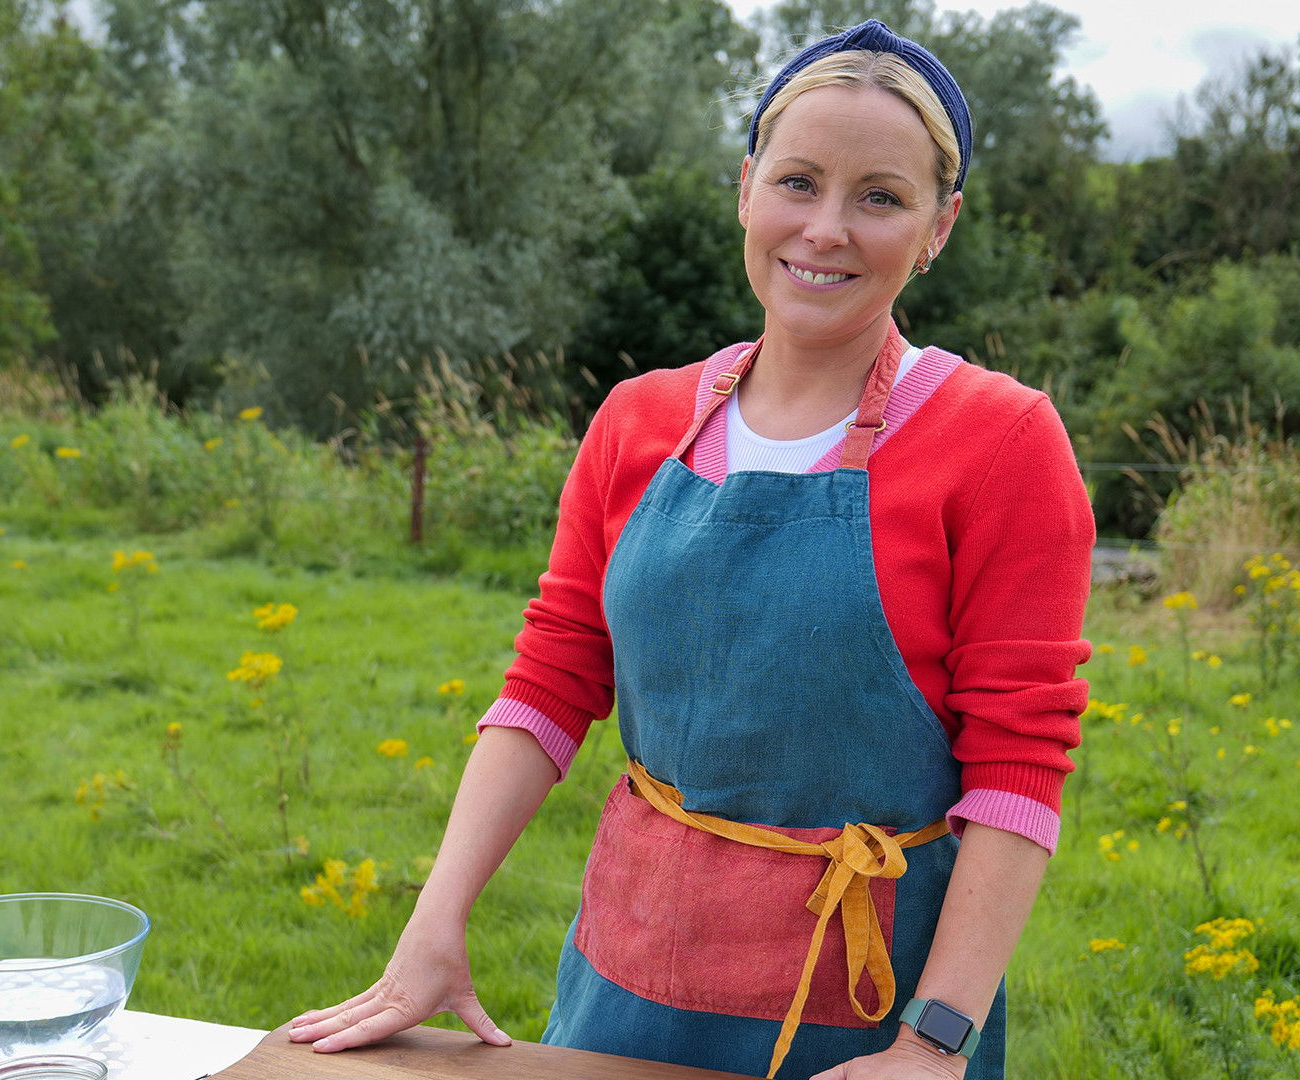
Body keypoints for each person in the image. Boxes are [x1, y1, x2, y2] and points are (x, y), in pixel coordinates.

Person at [287, 20, 1092, 1080]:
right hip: (623, 980)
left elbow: (1018, 766)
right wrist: (432, 926)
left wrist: (934, 1043)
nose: (827, 230)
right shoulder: (639, 419)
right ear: (746, 186)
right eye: (799, 182)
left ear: (938, 227)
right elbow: (552, 678)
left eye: (880, 198)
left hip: (869, 1015)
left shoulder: (1000, 443)